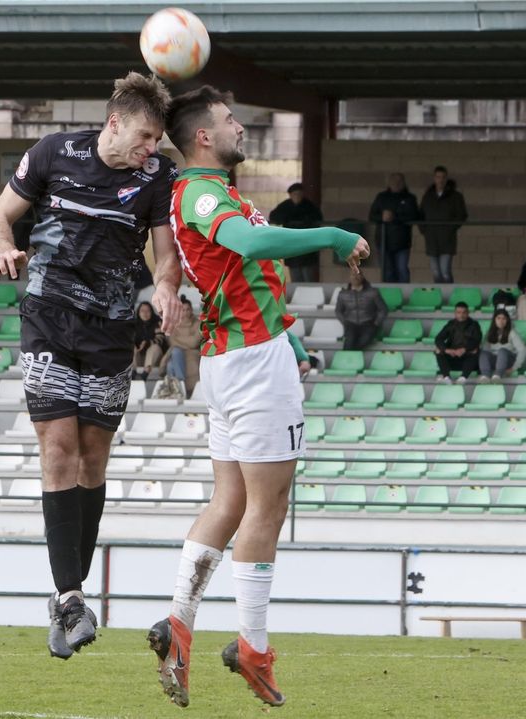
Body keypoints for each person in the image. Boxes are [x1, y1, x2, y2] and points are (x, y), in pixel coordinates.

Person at [147, 83, 368, 709]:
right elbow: (248, 246)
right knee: (266, 512)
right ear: (203, 137)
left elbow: (247, 279)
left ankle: (180, 624)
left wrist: (292, 343)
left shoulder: (209, 193)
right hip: (250, 366)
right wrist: (329, 233)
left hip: (231, 358)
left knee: (231, 499)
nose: (240, 126)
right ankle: (252, 646)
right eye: (229, 119)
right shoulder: (201, 192)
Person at [0, 72, 184, 660]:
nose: (151, 149)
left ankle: (66, 596)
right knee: (59, 450)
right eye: (145, 137)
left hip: (111, 328)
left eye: (159, 140)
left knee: (94, 460)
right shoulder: (52, 152)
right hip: (47, 316)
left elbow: (166, 257)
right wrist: (4, 252)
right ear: (114, 121)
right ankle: (70, 597)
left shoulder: (159, 177)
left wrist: (167, 289)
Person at [419, 166, 468, 284]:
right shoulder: (428, 196)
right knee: (436, 272)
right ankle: (439, 297)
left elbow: (462, 215)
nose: (440, 180)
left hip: (447, 239)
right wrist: (424, 230)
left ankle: (448, 297)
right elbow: (421, 215)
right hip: (431, 238)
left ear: (446, 179)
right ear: (434, 178)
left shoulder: (455, 196)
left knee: (445, 271)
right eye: (438, 177)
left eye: (443, 177)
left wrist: (451, 228)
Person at [368, 172, 419, 282]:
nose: (396, 183)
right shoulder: (381, 197)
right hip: (383, 241)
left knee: (402, 270)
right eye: (394, 181)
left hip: (402, 242)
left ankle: (405, 297)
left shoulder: (410, 198)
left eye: (399, 181)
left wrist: (394, 217)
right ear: (389, 182)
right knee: (387, 271)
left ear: (404, 183)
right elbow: (372, 216)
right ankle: (389, 297)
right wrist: (382, 217)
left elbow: (414, 216)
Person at [269, 183, 325, 283]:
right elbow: (273, 216)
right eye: (295, 194)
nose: (297, 196)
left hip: (307, 246)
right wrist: (285, 219)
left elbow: (318, 218)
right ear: (290, 195)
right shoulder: (285, 206)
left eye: (299, 194)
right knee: (296, 278)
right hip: (292, 245)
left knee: (309, 278)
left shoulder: (309, 206)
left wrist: (306, 221)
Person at [156, 299, 201, 399]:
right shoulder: (173, 324)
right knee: (175, 353)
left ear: (192, 310)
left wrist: (179, 340)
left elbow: (194, 342)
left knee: (171, 363)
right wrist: (187, 342)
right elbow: (172, 341)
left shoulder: (198, 324)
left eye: (187, 309)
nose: (185, 312)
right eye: (182, 310)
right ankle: (180, 386)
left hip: (192, 353)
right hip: (177, 352)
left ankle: (178, 388)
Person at [334, 267, 388, 350]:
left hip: (369, 323)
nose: (355, 277)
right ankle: (348, 359)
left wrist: (376, 323)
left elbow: (383, 309)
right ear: (350, 277)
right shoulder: (343, 294)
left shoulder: (373, 292)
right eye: (353, 275)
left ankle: (352, 357)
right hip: (350, 324)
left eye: (358, 274)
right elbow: (338, 311)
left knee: (364, 340)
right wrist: (345, 322)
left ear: (362, 277)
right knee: (349, 343)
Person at [433, 301, 481, 383]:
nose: (461, 315)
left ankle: (463, 378)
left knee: (475, 350)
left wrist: (464, 349)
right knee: (438, 350)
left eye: (464, 312)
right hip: (453, 356)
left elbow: (476, 340)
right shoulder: (451, 324)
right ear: (455, 313)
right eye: (458, 312)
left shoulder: (474, 325)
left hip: (467, 358)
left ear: (468, 313)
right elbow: (438, 338)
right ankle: (446, 377)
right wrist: (446, 350)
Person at [478, 309, 525, 382]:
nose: (501, 321)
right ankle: (485, 376)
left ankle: (498, 375)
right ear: (494, 320)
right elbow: (485, 349)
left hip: (508, 360)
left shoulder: (512, 332)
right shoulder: (490, 332)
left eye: (504, 318)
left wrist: (514, 368)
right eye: (498, 318)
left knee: (502, 351)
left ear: (507, 320)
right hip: (495, 360)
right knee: (483, 353)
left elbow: (522, 350)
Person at [132, 301, 168, 380]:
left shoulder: (157, 322)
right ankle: (133, 372)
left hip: (155, 358)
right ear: (138, 312)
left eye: (148, 311)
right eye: (142, 311)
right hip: (139, 357)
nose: (145, 313)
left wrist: (147, 343)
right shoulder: (133, 324)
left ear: (152, 312)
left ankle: (145, 373)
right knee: (131, 346)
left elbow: (160, 339)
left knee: (155, 347)